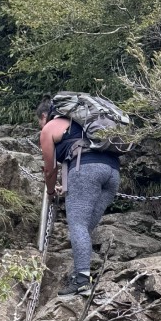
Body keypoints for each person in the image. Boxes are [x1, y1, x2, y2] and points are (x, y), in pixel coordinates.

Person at [37, 97, 121, 298]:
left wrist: (49, 192)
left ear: (43, 115)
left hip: (86, 171)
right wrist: (65, 188)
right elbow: (73, 158)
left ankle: (82, 281)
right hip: (113, 173)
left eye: (39, 122)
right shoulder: (85, 125)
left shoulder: (49, 128)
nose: (40, 126)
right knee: (85, 227)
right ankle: (81, 273)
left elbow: (50, 170)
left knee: (77, 225)